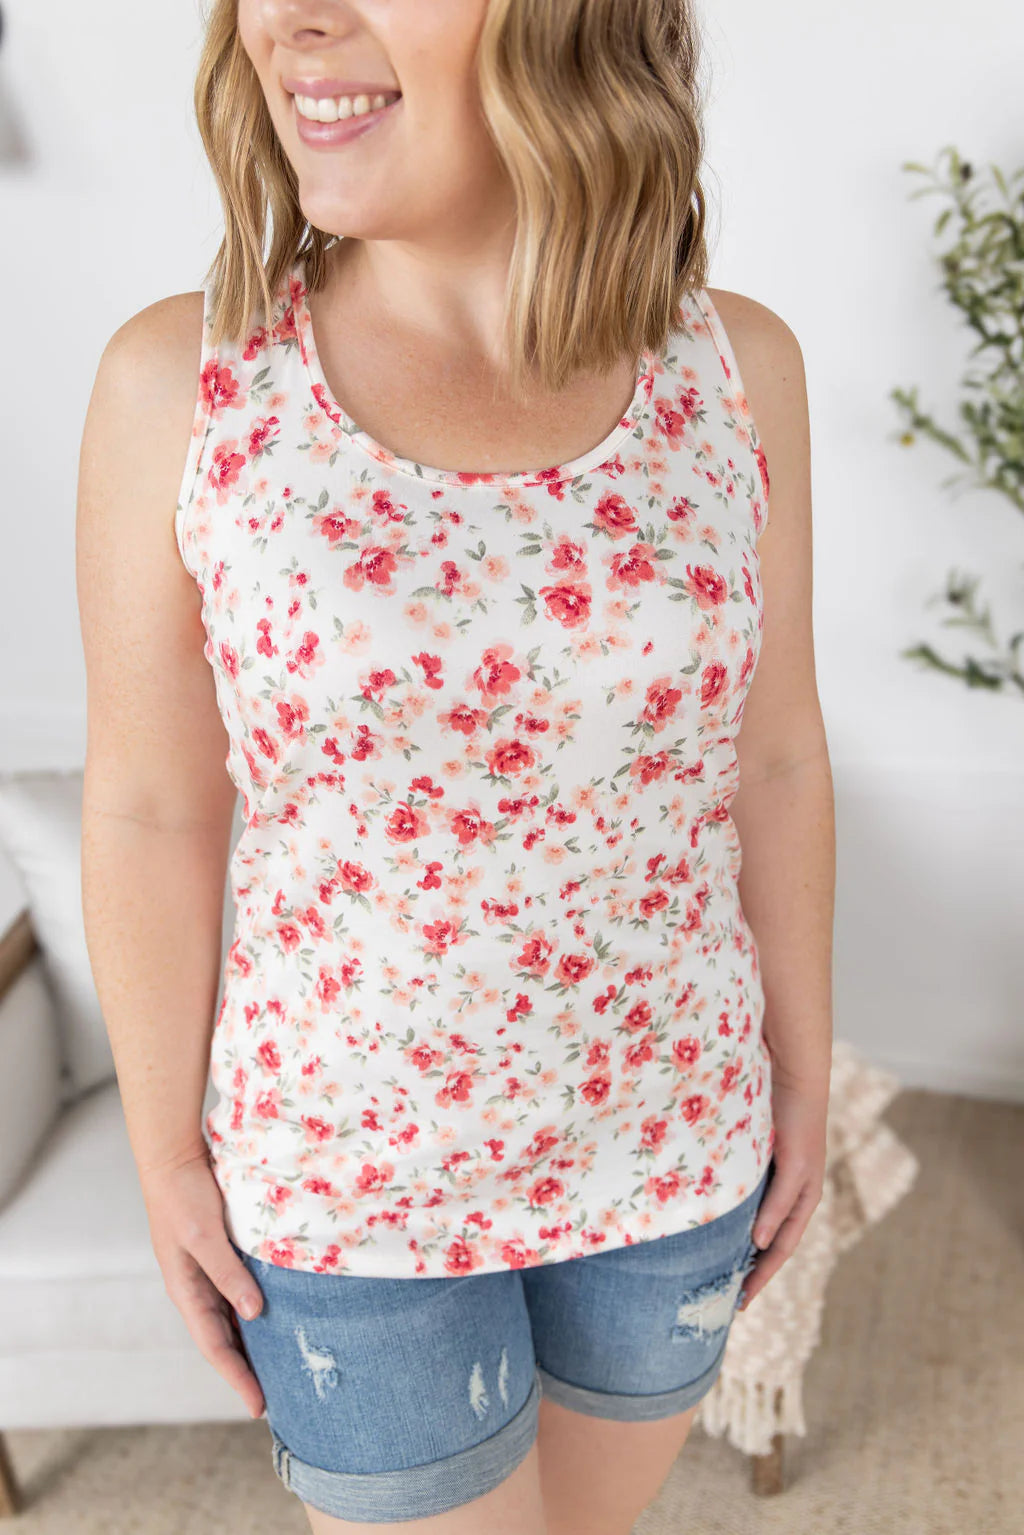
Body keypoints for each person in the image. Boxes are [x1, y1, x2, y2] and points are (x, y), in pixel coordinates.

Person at [76, 2, 834, 1532]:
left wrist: (805, 1069)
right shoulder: (189, 384)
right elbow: (152, 808)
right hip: (347, 1188)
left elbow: (773, 756)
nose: (293, 19)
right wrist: (163, 1155)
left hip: (673, 1146)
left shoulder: (735, 367)